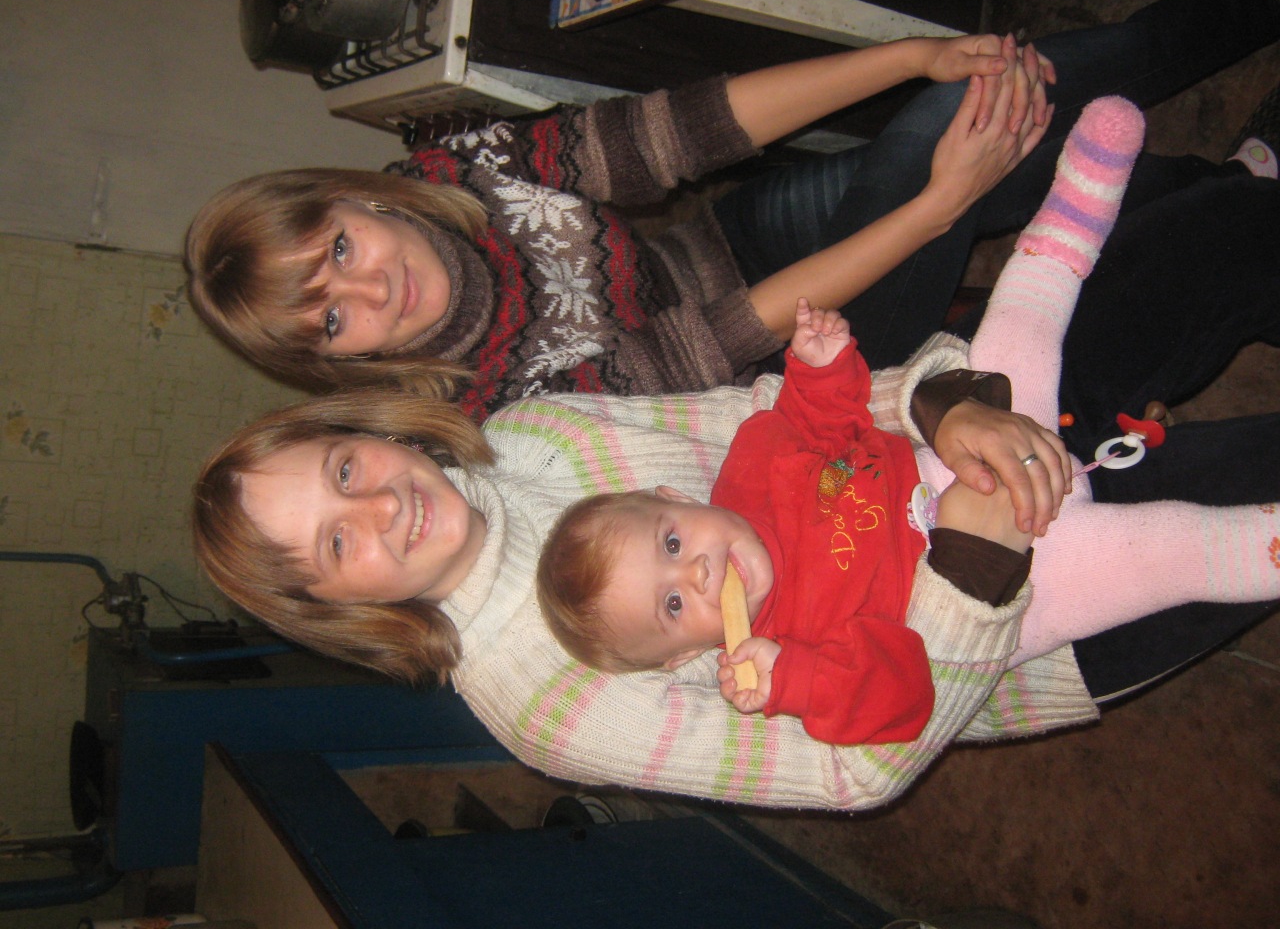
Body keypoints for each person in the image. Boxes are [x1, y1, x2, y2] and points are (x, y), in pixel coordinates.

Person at [191, 116, 1280, 810]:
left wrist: (946, 409)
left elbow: (772, 415)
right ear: (339, 609)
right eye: (336, 546)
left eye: (344, 473)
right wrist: (971, 568)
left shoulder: (537, 432)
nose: (380, 510)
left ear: (368, 430)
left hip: (951, 450)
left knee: (1222, 237)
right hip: (1032, 615)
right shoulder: (545, 714)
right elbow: (853, 773)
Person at [186, 0, 1280, 422]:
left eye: (337, 253)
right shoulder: (494, 407)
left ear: (358, 205)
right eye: (330, 322)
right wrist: (938, 207)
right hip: (784, 369)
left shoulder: (446, 173)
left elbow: (676, 132)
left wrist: (912, 56)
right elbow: (719, 341)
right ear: (337, 363)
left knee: (974, 107)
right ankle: (1229, 193)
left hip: (722, 244)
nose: (370, 292)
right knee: (939, 155)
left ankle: (1232, 133)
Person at [533, 100, 1280, 747]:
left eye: (671, 542)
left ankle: (1070, 221)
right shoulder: (793, 648)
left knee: (1010, 339)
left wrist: (820, 368)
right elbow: (905, 695)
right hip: (1017, 585)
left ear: (672, 495)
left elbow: (818, 419)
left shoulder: (751, 468)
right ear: (681, 657)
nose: (698, 573)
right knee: (1156, 553)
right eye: (673, 605)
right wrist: (796, 682)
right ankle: (1261, 545)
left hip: (954, 458)